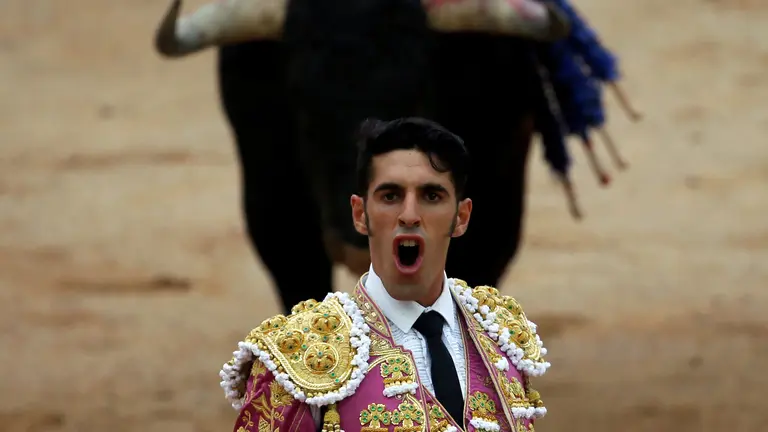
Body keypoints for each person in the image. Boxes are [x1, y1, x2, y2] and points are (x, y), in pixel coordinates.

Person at [219, 117, 550, 432]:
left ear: (460, 217)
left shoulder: (503, 340)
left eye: (431, 196)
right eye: (390, 196)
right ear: (360, 214)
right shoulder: (296, 358)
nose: (409, 214)